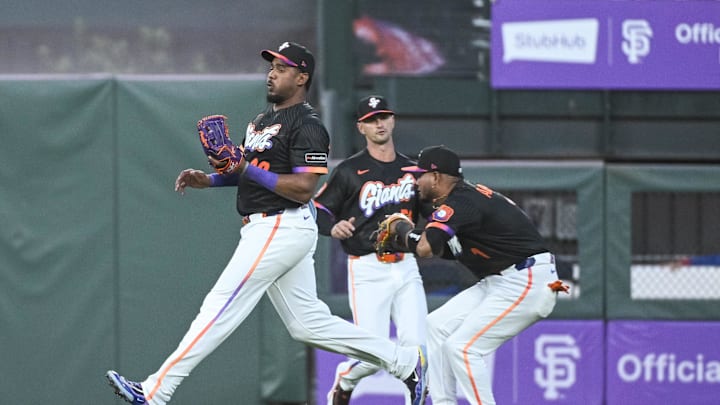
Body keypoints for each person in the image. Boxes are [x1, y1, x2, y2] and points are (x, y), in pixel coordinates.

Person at [105, 42, 427, 405]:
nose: (272, 73)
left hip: (281, 224)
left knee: (220, 305)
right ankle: (405, 362)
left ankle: (156, 391)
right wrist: (210, 180)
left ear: (302, 77)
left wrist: (243, 168)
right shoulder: (261, 121)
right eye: (271, 66)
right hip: (267, 225)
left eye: (283, 68)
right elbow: (248, 173)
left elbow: (305, 189)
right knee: (306, 324)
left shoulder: (309, 126)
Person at [386, 145, 569, 405]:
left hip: (527, 279)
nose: (416, 180)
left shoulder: (461, 202)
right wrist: (407, 240)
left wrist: (404, 231)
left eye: (421, 174)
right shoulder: (463, 199)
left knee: (462, 348)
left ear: (436, 177)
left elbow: (425, 248)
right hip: (502, 279)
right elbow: (443, 249)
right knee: (435, 326)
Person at [313, 95, 430, 405]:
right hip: (367, 267)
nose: (379, 123)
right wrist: (333, 227)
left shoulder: (412, 170)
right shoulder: (351, 170)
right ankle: (346, 379)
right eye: (372, 119)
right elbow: (319, 209)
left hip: (406, 266)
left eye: (384, 116)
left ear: (393, 120)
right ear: (361, 127)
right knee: (373, 352)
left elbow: (431, 210)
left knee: (418, 349)